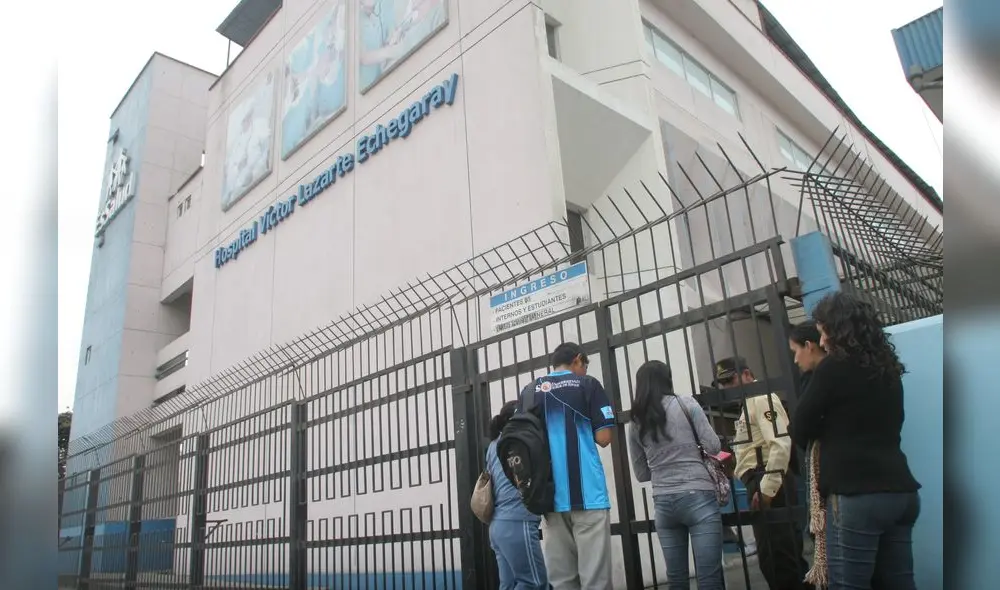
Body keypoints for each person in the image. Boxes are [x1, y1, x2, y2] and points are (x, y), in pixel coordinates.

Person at [793, 292, 921, 590]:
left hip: (856, 496)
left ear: (837, 330)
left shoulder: (832, 368)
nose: (822, 341)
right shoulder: (888, 368)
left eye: (824, 332)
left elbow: (800, 426)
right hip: (901, 492)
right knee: (900, 584)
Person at [520, 342, 615, 590]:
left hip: (549, 497)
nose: (584, 370)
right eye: (584, 365)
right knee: (596, 580)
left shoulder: (531, 390)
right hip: (588, 495)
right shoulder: (588, 385)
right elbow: (604, 438)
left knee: (562, 582)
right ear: (578, 360)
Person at [715, 357, 812, 590]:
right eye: (723, 383)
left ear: (747, 374)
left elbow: (780, 443)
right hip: (759, 479)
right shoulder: (749, 403)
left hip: (768, 478)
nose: (727, 387)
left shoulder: (761, 398)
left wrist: (768, 488)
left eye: (730, 380)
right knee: (773, 557)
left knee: (780, 557)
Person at [627, 360, 724, 589]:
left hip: (663, 503)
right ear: (667, 379)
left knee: (677, 579)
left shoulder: (635, 421)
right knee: (709, 577)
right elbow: (713, 446)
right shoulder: (686, 404)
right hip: (698, 496)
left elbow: (641, 473)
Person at [486, 401, 548, 590]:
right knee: (534, 583)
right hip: (517, 522)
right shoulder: (520, 440)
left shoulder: (493, 445)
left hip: (497, 525)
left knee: (509, 584)